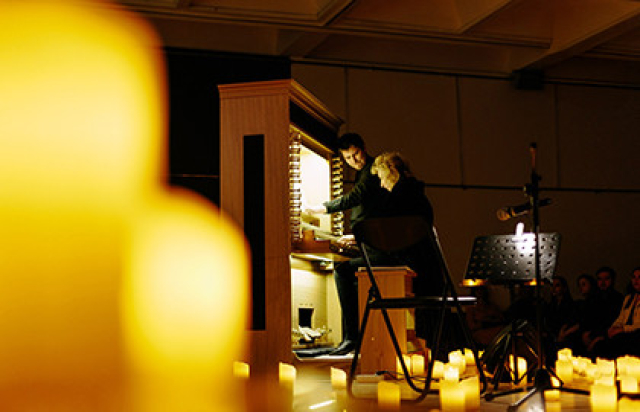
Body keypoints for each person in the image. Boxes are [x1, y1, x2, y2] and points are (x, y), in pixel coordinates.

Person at [302, 133, 396, 356]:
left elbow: (355, 198)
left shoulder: (373, 170)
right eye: (348, 158)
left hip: (383, 249)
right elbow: (373, 213)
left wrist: (321, 208)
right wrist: (356, 237)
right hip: (372, 241)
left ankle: (352, 338)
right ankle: (355, 337)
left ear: (363, 148)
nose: (354, 161)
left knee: (343, 271)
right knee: (349, 275)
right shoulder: (365, 172)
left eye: (356, 154)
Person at [590, 267, 640, 359]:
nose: (636, 280)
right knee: (600, 344)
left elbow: (637, 325)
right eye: (634, 277)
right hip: (624, 332)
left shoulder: (617, 297)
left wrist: (622, 329)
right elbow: (621, 317)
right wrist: (612, 328)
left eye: (639, 277)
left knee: (619, 341)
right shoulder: (629, 298)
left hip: (635, 333)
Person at [581, 266, 624, 353]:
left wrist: (599, 336)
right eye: (600, 279)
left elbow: (615, 321)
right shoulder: (592, 298)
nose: (603, 282)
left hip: (607, 334)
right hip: (591, 333)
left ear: (612, 280)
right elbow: (586, 318)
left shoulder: (618, 299)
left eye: (606, 279)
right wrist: (585, 333)